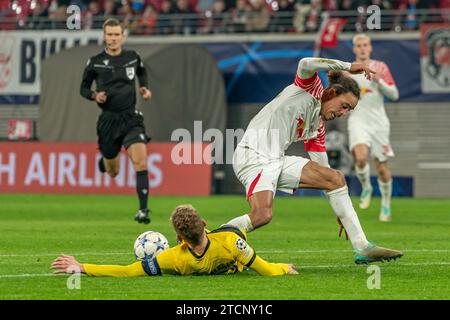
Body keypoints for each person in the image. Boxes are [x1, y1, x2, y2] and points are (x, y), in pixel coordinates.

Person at [226, 56, 403, 264]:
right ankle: (213, 241)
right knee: (261, 215)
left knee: (335, 178)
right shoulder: (310, 87)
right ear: (332, 93)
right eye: (344, 106)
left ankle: (362, 246)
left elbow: (324, 172)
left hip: (275, 159)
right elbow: (305, 63)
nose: (344, 114)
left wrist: (341, 210)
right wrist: (350, 67)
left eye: (349, 111)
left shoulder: (317, 127)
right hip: (253, 154)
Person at [50, 205, 298, 276]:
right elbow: (266, 269)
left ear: (178, 238)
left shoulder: (172, 258)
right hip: (231, 236)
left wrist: (81, 266)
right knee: (246, 222)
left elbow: (126, 271)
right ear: (203, 224)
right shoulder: (232, 243)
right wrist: (284, 268)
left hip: (222, 242)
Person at [80, 18, 153, 224]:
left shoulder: (132, 57)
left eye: (116, 34)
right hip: (108, 122)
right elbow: (83, 89)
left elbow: (141, 71)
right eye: (109, 34)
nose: (112, 38)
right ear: (104, 36)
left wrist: (144, 87)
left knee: (141, 161)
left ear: (122, 36)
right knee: (113, 171)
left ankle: (143, 210)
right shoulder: (94, 61)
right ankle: (104, 161)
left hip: (131, 118)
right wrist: (95, 96)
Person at [348, 34, 399, 222]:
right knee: (360, 158)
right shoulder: (349, 70)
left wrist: (379, 80)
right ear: (354, 49)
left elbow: (394, 94)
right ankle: (366, 186)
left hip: (378, 123)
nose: (362, 48)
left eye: (365, 45)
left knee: (382, 167)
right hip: (357, 119)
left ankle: (385, 203)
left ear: (370, 48)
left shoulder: (380, 67)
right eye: (358, 45)